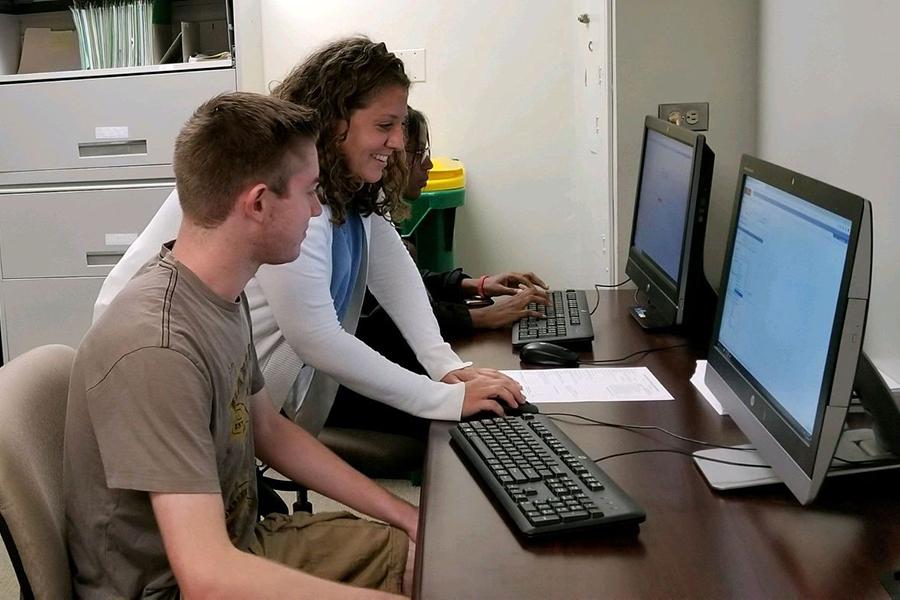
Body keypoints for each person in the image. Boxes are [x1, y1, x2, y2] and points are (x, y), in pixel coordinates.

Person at [65, 92, 417, 599]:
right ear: (258, 204)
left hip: (240, 542)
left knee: (427, 557)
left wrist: (405, 514)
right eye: (310, 192)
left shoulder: (220, 296)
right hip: (175, 587)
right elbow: (206, 579)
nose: (316, 210)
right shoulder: (158, 348)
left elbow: (269, 431)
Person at [93, 37, 524, 429]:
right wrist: (442, 398)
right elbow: (315, 336)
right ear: (336, 123)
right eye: (384, 125)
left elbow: (392, 271)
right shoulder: (287, 186)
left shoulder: (339, 179)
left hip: (236, 382)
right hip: (156, 366)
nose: (397, 142)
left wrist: (446, 367)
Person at [327, 107, 551, 439]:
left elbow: (409, 285)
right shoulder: (333, 218)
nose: (428, 165)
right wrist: (478, 319)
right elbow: (374, 323)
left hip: (354, 377)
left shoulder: (370, 211)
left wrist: (473, 286)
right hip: (342, 388)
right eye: (419, 154)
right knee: (477, 420)